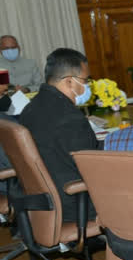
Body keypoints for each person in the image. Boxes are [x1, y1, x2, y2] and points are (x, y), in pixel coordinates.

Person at [20, 48, 99, 223]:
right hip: (76, 205)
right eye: (86, 81)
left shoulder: (31, 107)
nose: (88, 86)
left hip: (42, 202)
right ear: (70, 82)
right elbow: (93, 168)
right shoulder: (69, 118)